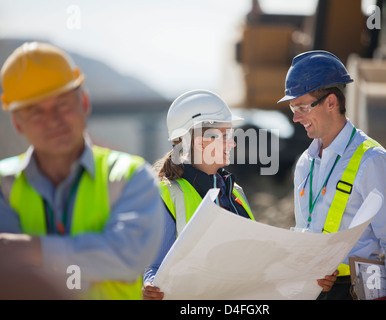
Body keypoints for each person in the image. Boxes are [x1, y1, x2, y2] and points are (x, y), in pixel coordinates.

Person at [0, 42, 169, 299]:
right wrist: (94, 256)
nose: (53, 120)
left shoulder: (131, 176)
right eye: (36, 112)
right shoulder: (3, 184)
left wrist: (31, 249)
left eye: (62, 104)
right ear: (17, 123)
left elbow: (128, 257)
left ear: (85, 102)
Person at [142, 89, 338, 300]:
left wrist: (310, 278)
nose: (233, 143)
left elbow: (255, 265)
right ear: (200, 142)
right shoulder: (166, 194)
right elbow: (154, 266)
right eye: (225, 136)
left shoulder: (235, 193)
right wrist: (150, 286)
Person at [278, 50, 386, 299]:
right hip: (313, 290)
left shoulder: (374, 161)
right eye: (292, 107)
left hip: (360, 289)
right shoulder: (304, 163)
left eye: (301, 107)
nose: (296, 117)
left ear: (331, 102)